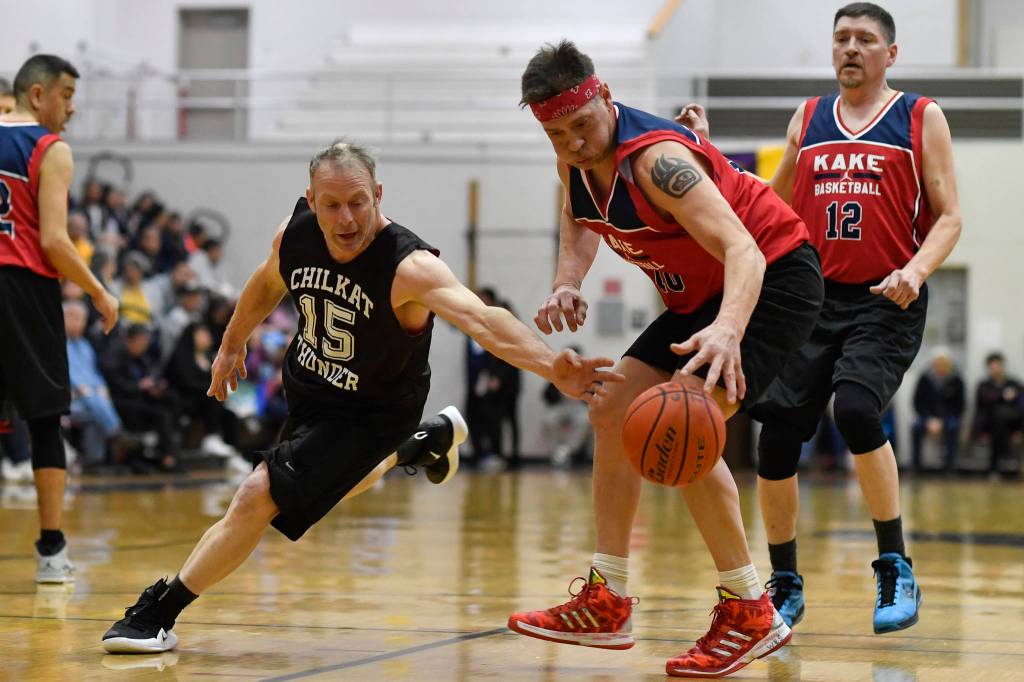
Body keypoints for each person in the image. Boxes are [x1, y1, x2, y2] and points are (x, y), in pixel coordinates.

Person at [101, 140, 621, 654]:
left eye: (358, 202)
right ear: (311, 200)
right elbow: (265, 284)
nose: (346, 218)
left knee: (257, 497)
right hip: (309, 388)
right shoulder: (297, 234)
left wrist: (554, 366)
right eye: (332, 205)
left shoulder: (409, 265)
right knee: (321, 492)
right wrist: (231, 344)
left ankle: (158, 615)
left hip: (374, 410)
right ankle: (421, 444)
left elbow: (484, 321)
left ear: (377, 194)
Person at [507, 41, 824, 678]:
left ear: (604, 95)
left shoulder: (657, 162)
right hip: (698, 297)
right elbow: (578, 217)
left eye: (581, 126)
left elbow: (747, 253)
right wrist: (567, 279)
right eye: (557, 133)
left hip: (773, 279)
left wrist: (729, 331)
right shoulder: (573, 159)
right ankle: (608, 600)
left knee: (687, 421)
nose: (571, 143)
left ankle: (750, 610)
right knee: (611, 405)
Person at [680, 2, 961, 634]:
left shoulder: (920, 117)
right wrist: (707, 152)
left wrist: (914, 272)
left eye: (865, 39)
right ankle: (784, 581)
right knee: (777, 438)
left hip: (887, 297)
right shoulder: (807, 118)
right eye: (841, 39)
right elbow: (769, 205)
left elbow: (949, 216)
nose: (851, 48)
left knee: (858, 410)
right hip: (812, 296)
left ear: (891, 53)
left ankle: (894, 563)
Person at [0, 54, 119, 583]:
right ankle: (51, 550)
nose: (72, 107)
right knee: (45, 419)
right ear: (37, 95)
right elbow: (52, 240)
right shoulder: (51, 149)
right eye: (66, 94)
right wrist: (97, 290)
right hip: (24, 289)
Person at [64, 300, 123, 467]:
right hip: (68, 398)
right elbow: (70, 376)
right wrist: (87, 391)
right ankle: (116, 432)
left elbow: (95, 374)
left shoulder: (85, 346)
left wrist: (102, 388)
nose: (78, 322)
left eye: (81, 319)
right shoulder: (56, 343)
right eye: (72, 317)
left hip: (88, 400)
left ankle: (94, 460)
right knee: (94, 401)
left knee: (95, 407)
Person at [910, 349, 964, 472]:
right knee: (916, 427)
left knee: (953, 427)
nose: (941, 366)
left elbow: (960, 406)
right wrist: (929, 419)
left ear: (949, 365)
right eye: (938, 363)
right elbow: (917, 402)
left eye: (944, 363)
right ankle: (916, 466)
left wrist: (941, 421)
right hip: (927, 417)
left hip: (948, 417)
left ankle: (949, 466)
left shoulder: (957, 380)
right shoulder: (925, 378)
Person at [973, 352, 1024, 474]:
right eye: (993, 366)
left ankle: (994, 468)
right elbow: (983, 404)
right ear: (988, 368)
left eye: (998, 365)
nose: (996, 369)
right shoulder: (983, 385)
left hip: (1012, 424)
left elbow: (1021, 403)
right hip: (990, 424)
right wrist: (1003, 396)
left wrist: (1020, 431)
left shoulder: (1013, 383)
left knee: (1003, 418)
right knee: (998, 417)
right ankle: (1005, 452)